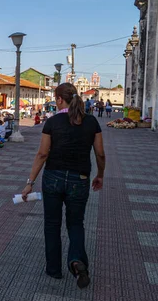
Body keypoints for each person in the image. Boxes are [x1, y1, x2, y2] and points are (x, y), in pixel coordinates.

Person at [22, 83, 105, 290]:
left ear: (59, 99)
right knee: (76, 223)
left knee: (52, 224)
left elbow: (42, 154)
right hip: (81, 179)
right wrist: (100, 175)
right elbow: (100, 154)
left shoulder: (53, 122)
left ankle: (54, 269)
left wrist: (29, 183)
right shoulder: (92, 122)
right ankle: (77, 261)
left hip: (53, 178)